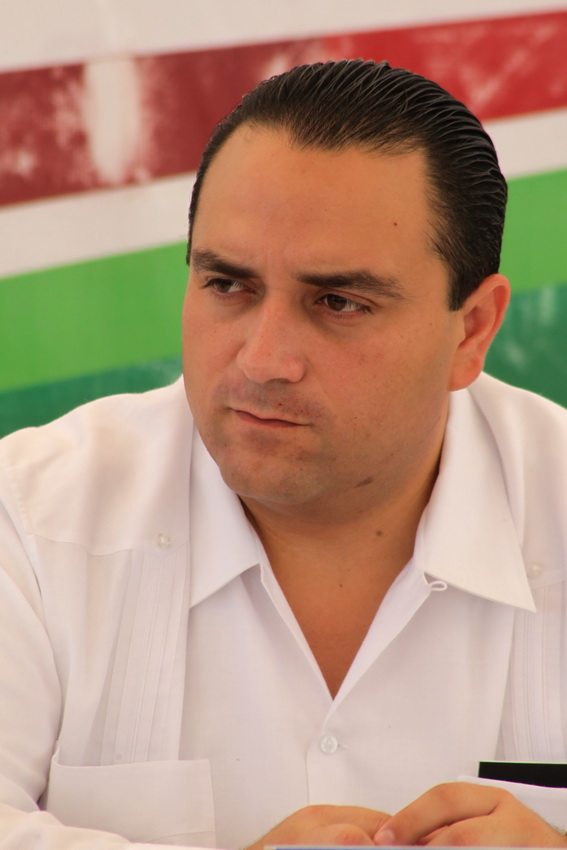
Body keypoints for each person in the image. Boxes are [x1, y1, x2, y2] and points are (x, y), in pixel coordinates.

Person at [0, 59, 566, 850]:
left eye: (337, 302)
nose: (263, 360)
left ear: (470, 330)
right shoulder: (29, 521)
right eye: (227, 285)